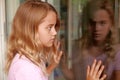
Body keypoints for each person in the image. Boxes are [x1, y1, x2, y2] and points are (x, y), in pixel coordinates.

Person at [4, 0, 106, 80]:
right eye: (49, 27)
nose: (55, 32)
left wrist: (52, 66)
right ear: (31, 30)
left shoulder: (28, 60)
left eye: (54, 27)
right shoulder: (26, 69)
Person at [60, 0, 120, 80]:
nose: (97, 28)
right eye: (92, 23)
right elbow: (74, 78)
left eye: (102, 23)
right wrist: (62, 66)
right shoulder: (78, 47)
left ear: (111, 24)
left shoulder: (117, 52)